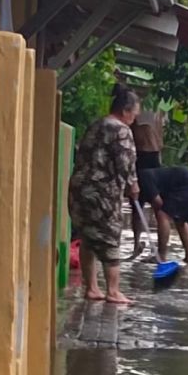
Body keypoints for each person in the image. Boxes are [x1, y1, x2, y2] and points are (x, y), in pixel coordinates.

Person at [69, 84, 140, 304]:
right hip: (102, 193)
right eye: (134, 114)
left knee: (88, 237)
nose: (134, 119)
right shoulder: (120, 129)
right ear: (126, 110)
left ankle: (91, 287)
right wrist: (133, 185)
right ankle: (113, 290)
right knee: (110, 236)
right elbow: (125, 162)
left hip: (79, 189)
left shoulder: (97, 124)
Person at [138, 166, 188, 265]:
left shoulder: (143, 178)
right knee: (181, 221)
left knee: (162, 215)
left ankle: (161, 255)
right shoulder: (147, 177)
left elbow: (158, 203)